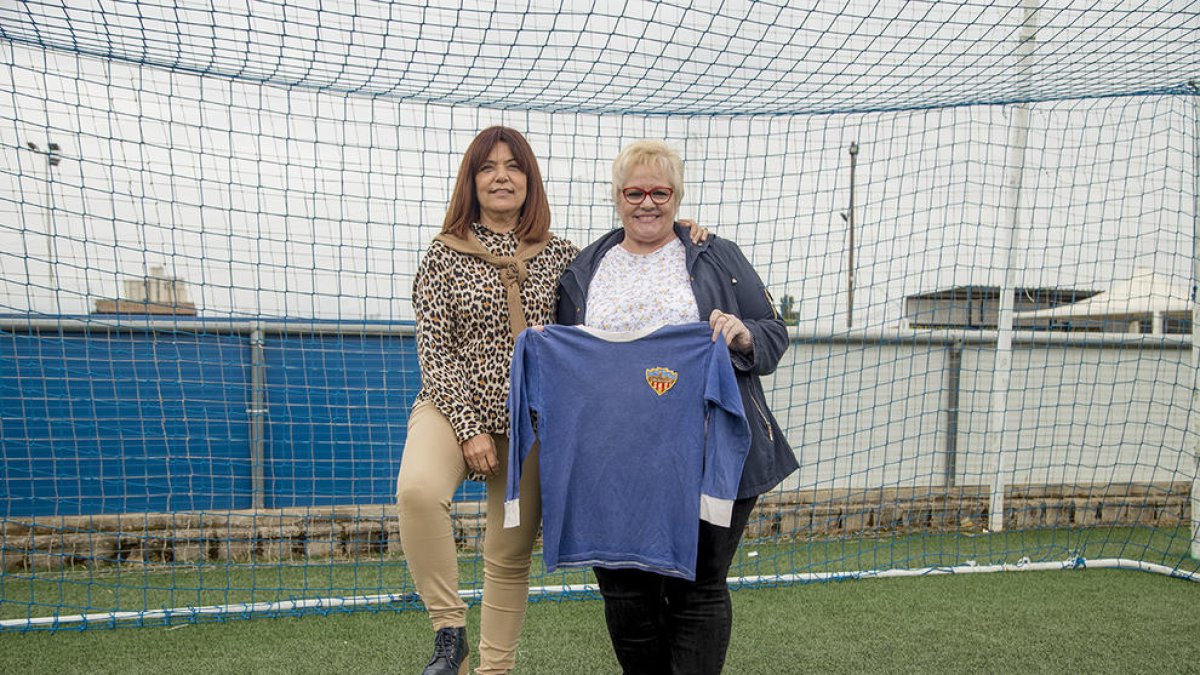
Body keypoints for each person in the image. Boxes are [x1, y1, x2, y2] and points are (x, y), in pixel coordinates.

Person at [398, 127, 707, 675]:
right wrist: (468, 428)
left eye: (513, 167)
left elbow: (623, 278)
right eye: (488, 167)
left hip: (533, 420)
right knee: (419, 492)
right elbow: (435, 349)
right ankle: (449, 633)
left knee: (509, 553)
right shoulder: (442, 255)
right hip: (452, 405)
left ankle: (495, 670)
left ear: (529, 180)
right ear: (471, 180)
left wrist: (684, 232)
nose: (501, 176)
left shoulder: (566, 256)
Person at [555, 139, 799, 674]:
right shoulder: (583, 269)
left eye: (660, 192)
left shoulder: (716, 254)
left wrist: (741, 337)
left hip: (709, 453)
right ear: (616, 197)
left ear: (677, 195)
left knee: (697, 588)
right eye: (635, 191)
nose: (648, 203)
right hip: (612, 460)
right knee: (625, 594)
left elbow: (774, 333)